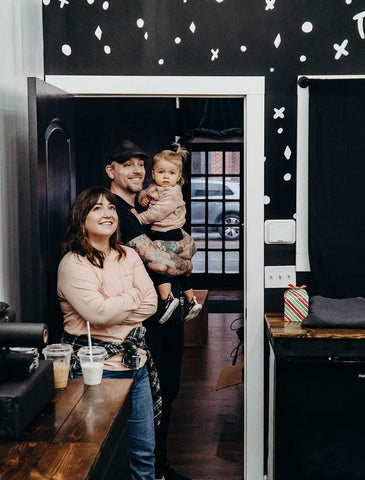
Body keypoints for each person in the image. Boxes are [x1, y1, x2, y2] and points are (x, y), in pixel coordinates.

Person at [105, 139, 194, 480]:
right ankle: (144, 470)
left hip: (167, 313)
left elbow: (187, 240)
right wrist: (184, 257)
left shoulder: (154, 201)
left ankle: (158, 466)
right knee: (146, 397)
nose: (137, 170)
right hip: (141, 320)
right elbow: (162, 260)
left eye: (141, 164)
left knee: (168, 390)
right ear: (111, 171)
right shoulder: (114, 209)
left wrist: (183, 249)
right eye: (128, 164)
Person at [57, 186, 158, 480]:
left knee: (144, 452)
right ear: (81, 218)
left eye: (111, 208)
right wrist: (131, 297)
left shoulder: (128, 254)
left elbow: (150, 304)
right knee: (98, 455)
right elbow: (97, 314)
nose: (108, 214)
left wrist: (113, 308)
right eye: (97, 208)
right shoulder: (73, 263)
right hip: (97, 371)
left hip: (135, 364)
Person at [131, 143, 202, 324]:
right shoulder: (155, 187)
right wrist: (142, 198)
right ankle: (191, 300)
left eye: (171, 174)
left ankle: (167, 298)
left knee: (159, 264)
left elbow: (157, 213)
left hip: (169, 232)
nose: (166, 177)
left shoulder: (173, 192)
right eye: (161, 172)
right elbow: (145, 193)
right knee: (178, 269)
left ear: (178, 177)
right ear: (154, 174)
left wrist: (138, 218)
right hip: (164, 232)